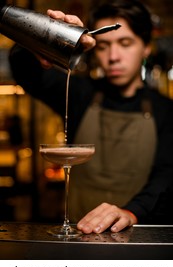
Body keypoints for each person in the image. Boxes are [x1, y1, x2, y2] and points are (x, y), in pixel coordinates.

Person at [9, 0, 173, 234]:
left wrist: (131, 212)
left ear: (146, 47)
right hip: (81, 235)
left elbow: (166, 177)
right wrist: (44, 36)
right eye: (104, 46)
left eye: (125, 43)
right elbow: (26, 71)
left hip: (137, 237)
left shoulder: (165, 109)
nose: (113, 56)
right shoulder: (81, 94)